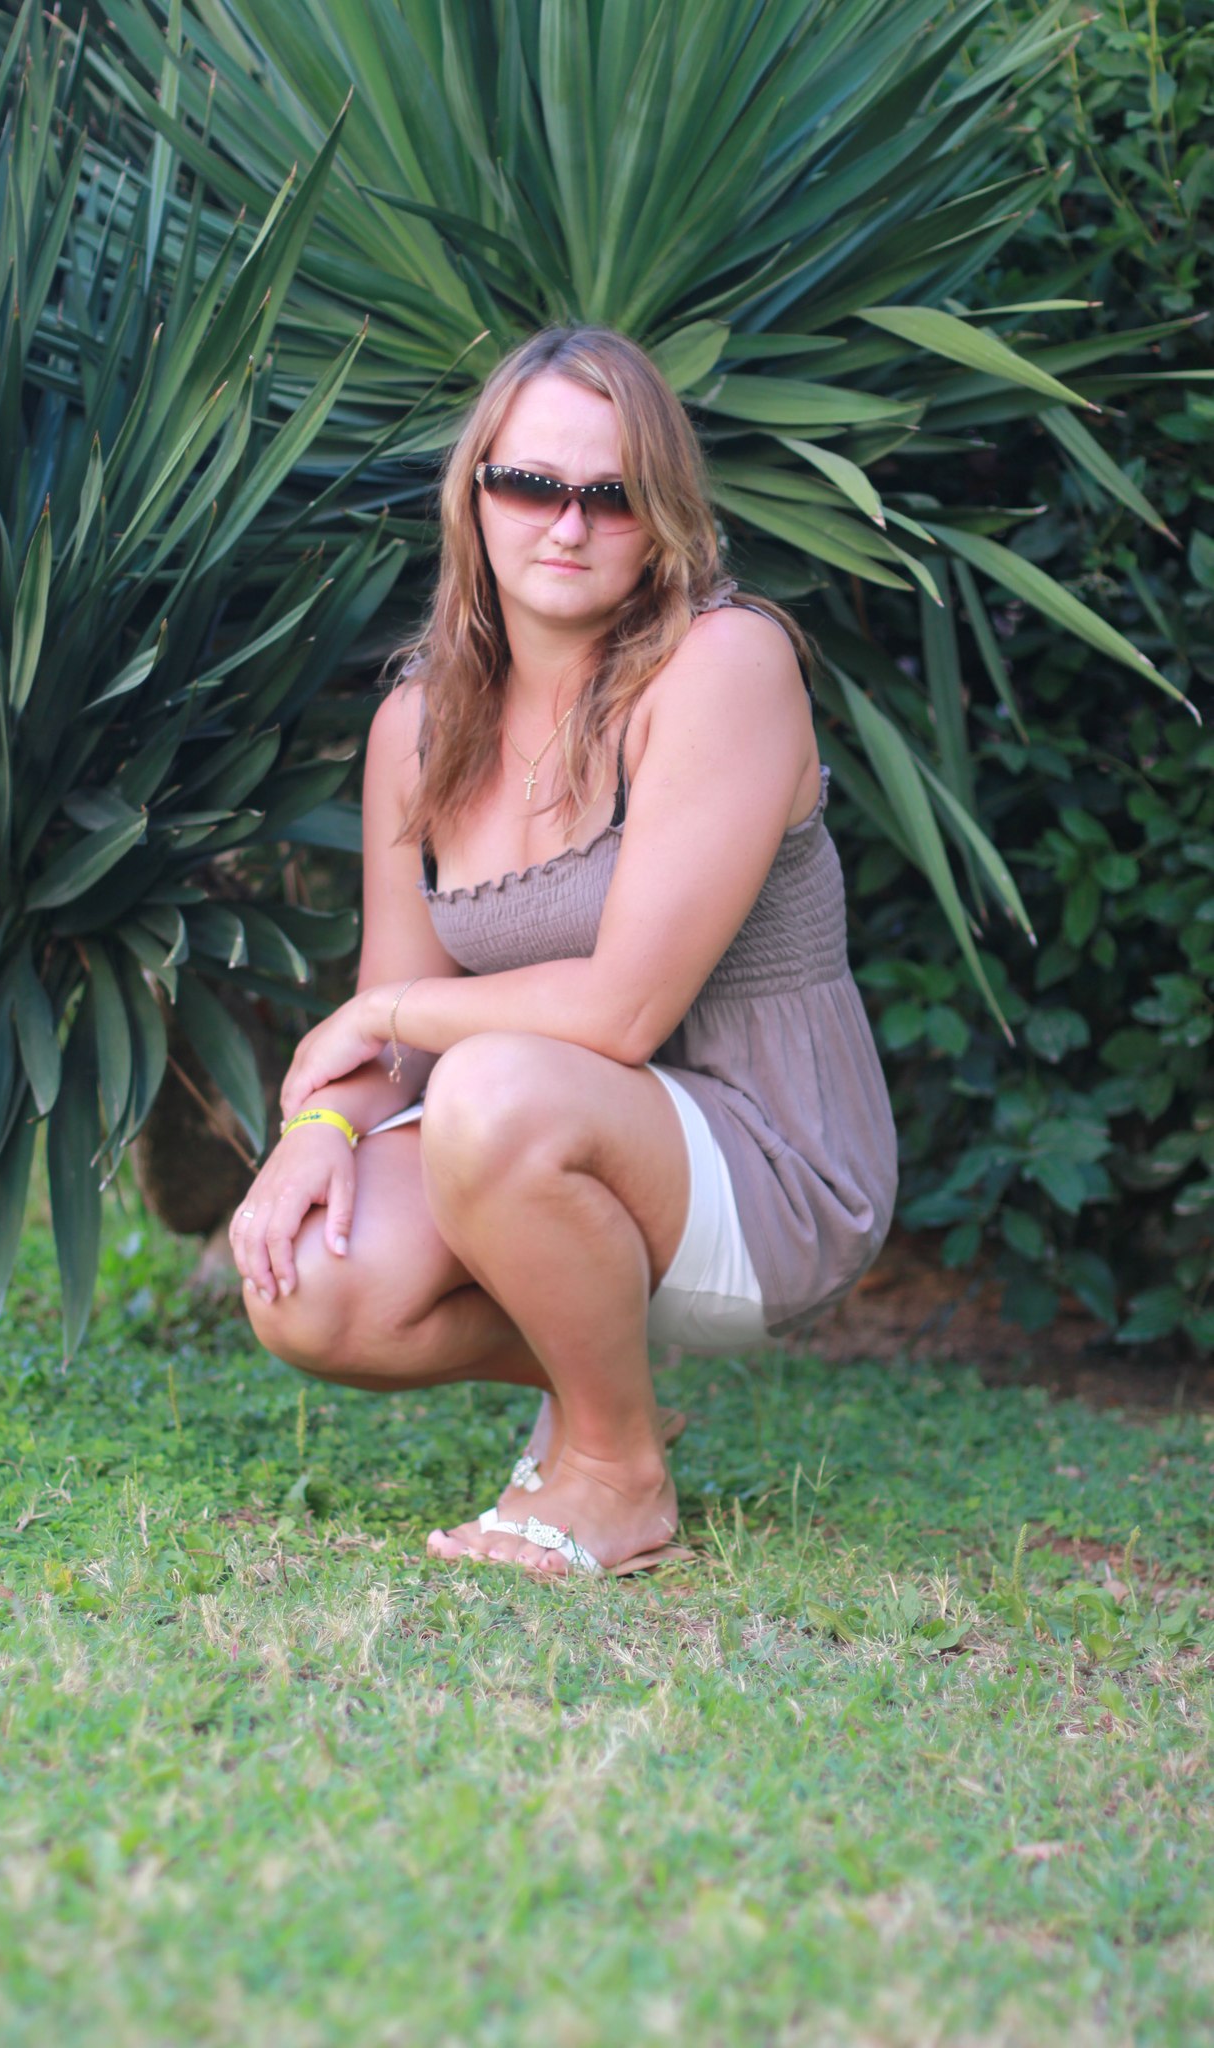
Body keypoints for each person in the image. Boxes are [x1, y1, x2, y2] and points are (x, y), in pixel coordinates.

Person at [229, 326, 897, 1578]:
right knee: (310, 1286)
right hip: (559, 1144)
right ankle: (605, 1383)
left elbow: (622, 1010)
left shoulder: (725, 665)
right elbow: (394, 1013)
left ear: (664, 514)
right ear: (474, 494)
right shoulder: (416, 726)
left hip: (771, 1169)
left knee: (489, 1083)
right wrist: (317, 1128)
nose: (568, 523)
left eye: (613, 494)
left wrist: (388, 1016)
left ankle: (615, 1472)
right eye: (531, 483)